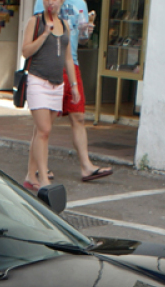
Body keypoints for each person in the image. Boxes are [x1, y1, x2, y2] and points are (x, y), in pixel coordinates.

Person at [25, 0, 112, 187]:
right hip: (45, 67)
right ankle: (38, 172)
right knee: (44, 128)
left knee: (77, 116)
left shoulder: (80, 3)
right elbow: (38, 27)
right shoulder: (44, 3)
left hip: (71, 63)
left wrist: (86, 31)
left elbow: (81, 39)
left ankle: (85, 166)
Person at [20, 0, 79, 193]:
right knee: (44, 130)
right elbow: (25, 50)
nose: (50, 2)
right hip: (38, 81)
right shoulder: (35, 22)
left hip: (57, 85)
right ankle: (43, 177)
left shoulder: (65, 25)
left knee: (41, 132)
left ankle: (30, 175)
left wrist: (74, 85)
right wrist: (45, 33)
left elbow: (68, 58)